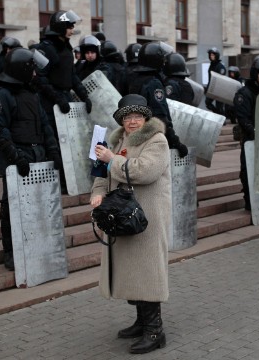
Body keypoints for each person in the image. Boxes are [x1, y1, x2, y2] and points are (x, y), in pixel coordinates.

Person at [90, 94, 171, 354]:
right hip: (123, 214)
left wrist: (112, 159)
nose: (132, 121)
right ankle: (141, 321)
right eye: (127, 116)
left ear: (145, 118)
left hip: (148, 216)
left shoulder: (157, 140)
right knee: (132, 269)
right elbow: (101, 171)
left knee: (147, 270)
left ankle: (155, 331)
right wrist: (98, 191)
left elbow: (144, 171)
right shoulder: (117, 140)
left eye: (137, 116)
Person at [0, 47, 62, 271]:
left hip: (37, 156)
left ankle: (35, 246)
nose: (35, 74)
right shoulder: (1, 95)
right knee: (11, 207)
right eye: (33, 70)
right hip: (16, 159)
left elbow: (45, 125)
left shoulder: (31, 94)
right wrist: (16, 156)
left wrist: (53, 151)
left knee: (39, 205)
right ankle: (11, 250)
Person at [34, 10, 92, 193]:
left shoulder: (66, 46)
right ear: (60, 27)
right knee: (54, 144)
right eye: (69, 26)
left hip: (64, 100)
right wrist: (57, 98)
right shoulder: (45, 48)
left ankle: (69, 180)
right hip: (49, 102)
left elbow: (72, 75)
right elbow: (40, 79)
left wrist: (84, 95)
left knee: (69, 142)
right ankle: (57, 182)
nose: (72, 29)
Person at [127, 41, 188, 157]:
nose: (164, 62)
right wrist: (176, 143)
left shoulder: (135, 81)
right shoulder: (154, 84)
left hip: (136, 136)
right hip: (153, 140)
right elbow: (160, 117)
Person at [232, 56, 259, 211]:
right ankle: (249, 202)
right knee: (247, 170)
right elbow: (243, 117)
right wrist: (255, 132)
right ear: (255, 74)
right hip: (250, 139)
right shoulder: (245, 93)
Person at [204, 47, 227, 115]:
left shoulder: (220, 66)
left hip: (219, 89)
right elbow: (210, 78)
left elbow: (221, 77)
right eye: (210, 55)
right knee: (207, 102)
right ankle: (217, 114)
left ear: (216, 56)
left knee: (219, 105)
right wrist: (207, 88)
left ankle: (222, 119)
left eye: (213, 55)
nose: (211, 57)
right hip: (212, 88)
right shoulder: (211, 65)